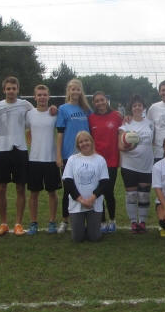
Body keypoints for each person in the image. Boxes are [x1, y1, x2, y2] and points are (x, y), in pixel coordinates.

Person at [0, 76, 34, 236]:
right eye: (8, 88)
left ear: (18, 89)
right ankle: (3, 223)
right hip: (2, 150)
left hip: (20, 149)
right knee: (1, 188)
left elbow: (35, 116)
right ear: (4, 90)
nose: (11, 91)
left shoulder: (25, 104)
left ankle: (18, 223)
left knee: (20, 187)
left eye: (13, 88)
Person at [56, 78, 92, 234]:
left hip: (86, 154)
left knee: (87, 186)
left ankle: (88, 218)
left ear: (81, 91)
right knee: (68, 189)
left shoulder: (86, 109)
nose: (75, 91)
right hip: (68, 155)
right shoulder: (63, 109)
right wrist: (58, 155)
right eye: (73, 89)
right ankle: (65, 220)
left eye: (78, 89)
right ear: (69, 91)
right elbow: (60, 133)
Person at [25, 85, 61, 235]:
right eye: (39, 95)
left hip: (51, 159)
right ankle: (33, 222)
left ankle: (52, 221)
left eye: (44, 95)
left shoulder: (54, 113)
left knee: (52, 192)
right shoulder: (29, 114)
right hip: (34, 159)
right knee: (34, 193)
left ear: (48, 96)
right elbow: (26, 129)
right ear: (35, 97)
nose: (42, 97)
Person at [62, 131, 109, 243]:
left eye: (86, 140)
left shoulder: (100, 159)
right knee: (77, 238)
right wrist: (81, 200)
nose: (84, 144)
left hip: (94, 204)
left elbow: (104, 183)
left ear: (91, 142)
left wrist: (92, 199)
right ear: (78, 145)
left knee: (95, 237)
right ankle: (83, 228)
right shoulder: (72, 159)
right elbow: (68, 182)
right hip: (77, 204)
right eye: (81, 142)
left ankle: (92, 228)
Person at [118, 94, 154, 234]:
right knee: (132, 195)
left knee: (144, 195)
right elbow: (120, 146)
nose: (137, 108)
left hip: (146, 165)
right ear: (131, 108)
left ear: (143, 107)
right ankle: (133, 222)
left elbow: (153, 142)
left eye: (139, 105)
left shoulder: (150, 123)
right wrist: (129, 147)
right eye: (134, 106)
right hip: (129, 165)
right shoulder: (126, 124)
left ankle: (142, 222)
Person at [89, 91, 123, 233]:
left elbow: (124, 132)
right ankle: (102, 221)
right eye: (97, 101)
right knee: (98, 192)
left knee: (108, 192)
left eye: (102, 100)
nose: (100, 103)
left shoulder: (117, 116)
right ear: (94, 103)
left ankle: (112, 220)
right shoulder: (91, 118)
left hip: (112, 160)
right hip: (96, 161)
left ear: (106, 100)